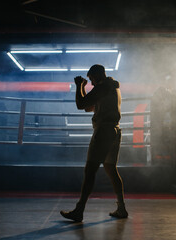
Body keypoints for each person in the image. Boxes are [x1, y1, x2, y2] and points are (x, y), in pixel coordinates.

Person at [60, 64, 128, 222]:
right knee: (111, 169)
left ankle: (79, 210)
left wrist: (79, 86)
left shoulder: (102, 87)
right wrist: (83, 89)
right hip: (114, 131)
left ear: (97, 76)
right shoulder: (112, 87)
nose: (90, 83)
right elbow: (88, 107)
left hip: (103, 132)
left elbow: (80, 105)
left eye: (91, 79)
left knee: (90, 171)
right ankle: (121, 208)